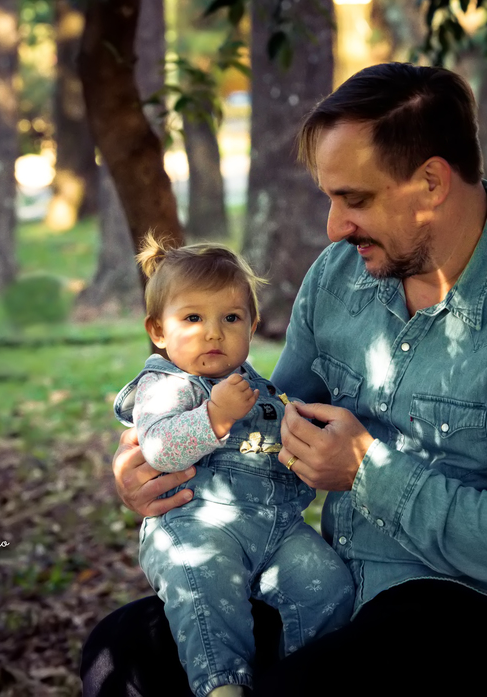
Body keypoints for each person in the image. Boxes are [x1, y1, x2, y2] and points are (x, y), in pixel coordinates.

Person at [81, 63, 487, 697]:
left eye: (356, 199)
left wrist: (367, 472)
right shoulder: (339, 276)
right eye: (331, 198)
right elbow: (273, 429)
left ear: (432, 182)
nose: (334, 227)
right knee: (120, 654)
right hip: (340, 591)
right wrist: (163, 464)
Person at [111, 235, 354, 697]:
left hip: (277, 527)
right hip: (196, 526)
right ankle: (222, 686)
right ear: (158, 331)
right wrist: (213, 417)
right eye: (193, 318)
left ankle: (306, 676)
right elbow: (160, 448)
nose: (213, 333)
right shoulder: (166, 385)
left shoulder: (257, 389)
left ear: (252, 325)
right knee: (205, 588)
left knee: (328, 584)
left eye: (231, 318)